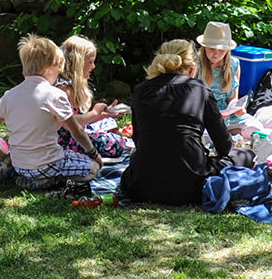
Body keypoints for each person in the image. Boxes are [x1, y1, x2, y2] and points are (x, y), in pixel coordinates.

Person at [119, 39, 249, 207]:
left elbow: (138, 139)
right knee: (244, 155)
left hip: (141, 184)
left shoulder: (141, 90)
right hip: (190, 186)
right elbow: (224, 146)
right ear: (193, 67)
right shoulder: (200, 90)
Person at [0, 35, 104, 190]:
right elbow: (76, 131)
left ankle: (12, 168)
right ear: (50, 67)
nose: (58, 75)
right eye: (58, 70)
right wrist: (94, 154)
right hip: (49, 163)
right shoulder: (54, 95)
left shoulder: (9, 96)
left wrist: (3, 155)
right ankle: (48, 181)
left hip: (20, 164)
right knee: (92, 168)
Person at [56, 35, 129, 159]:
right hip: (67, 143)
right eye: (90, 62)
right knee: (117, 143)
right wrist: (95, 113)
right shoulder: (65, 90)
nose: (93, 66)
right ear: (78, 63)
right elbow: (69, 124)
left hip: (75, 135)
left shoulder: (67, 85)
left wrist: (104, 115)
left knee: (108, 122)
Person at [196, 21, 243, 115]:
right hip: (200, 111)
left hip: (225, 114)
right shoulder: (195, 64)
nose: (216, 54)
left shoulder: (234, 64)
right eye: (212, 48)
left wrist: (236, 109)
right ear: (204, 47)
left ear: (227, 50)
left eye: (221, 50)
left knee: (253, 125)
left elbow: (233, 98)